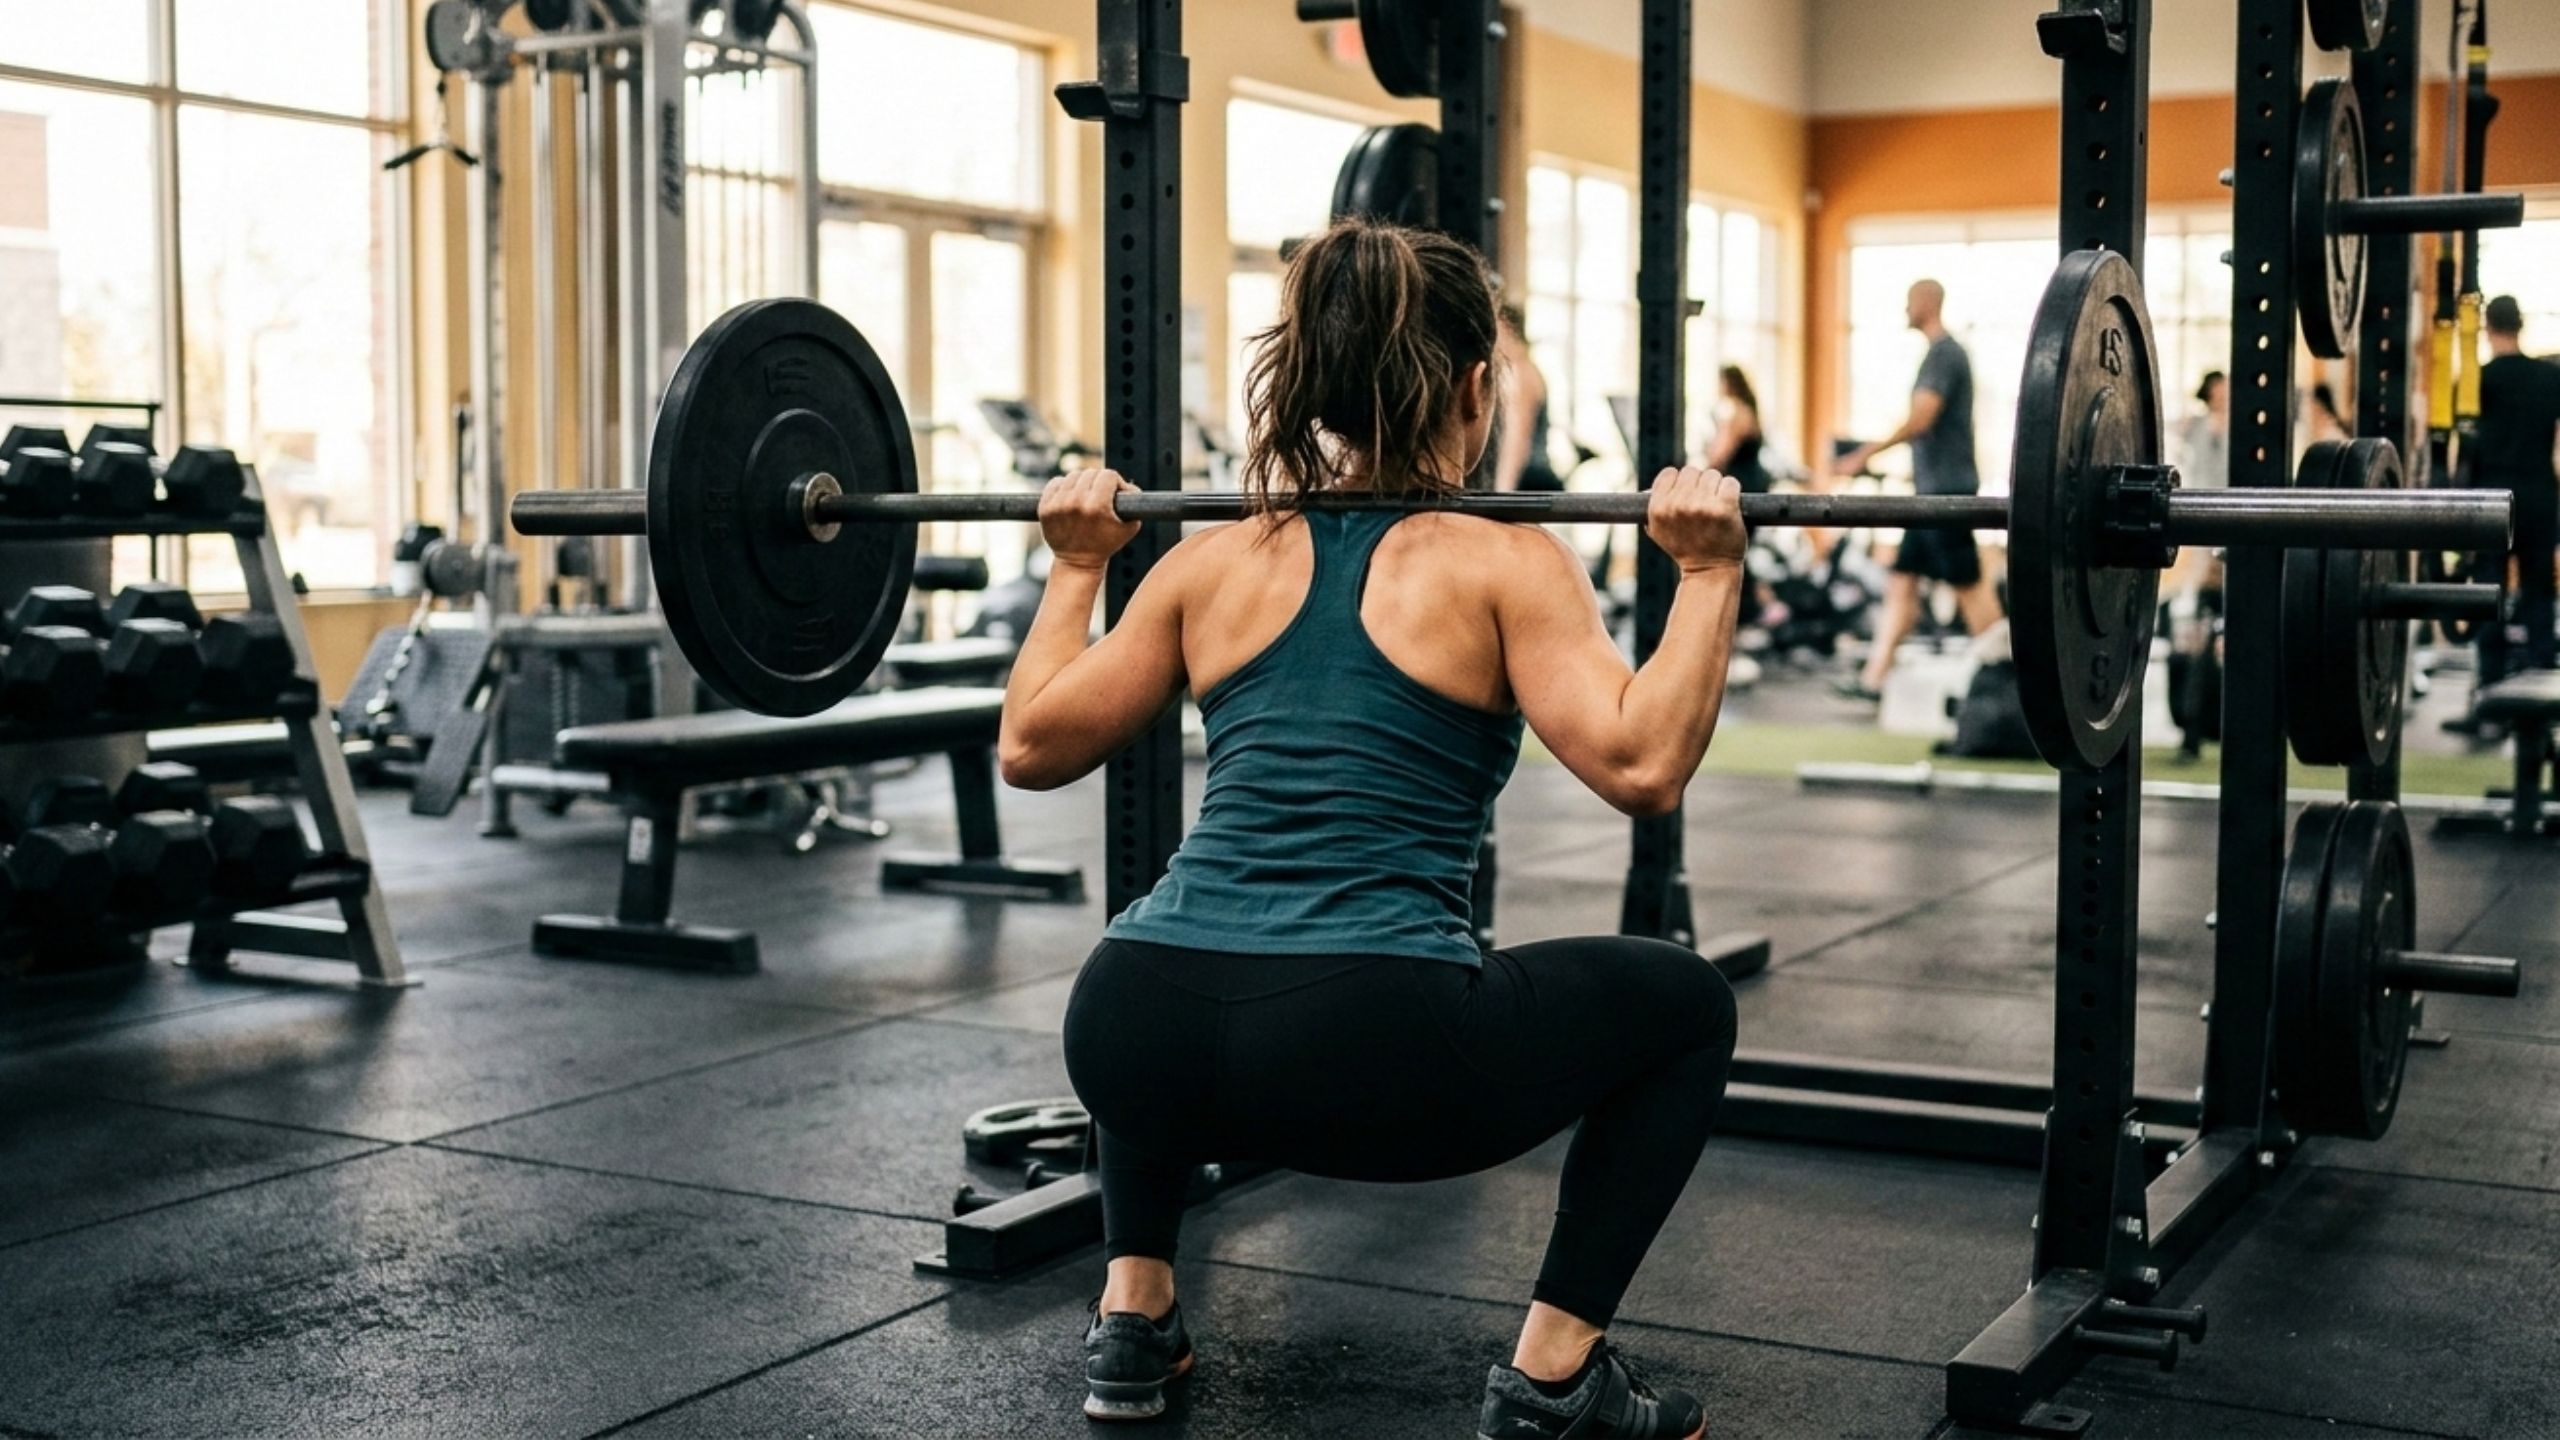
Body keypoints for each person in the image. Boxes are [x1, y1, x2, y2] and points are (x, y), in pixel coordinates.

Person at [1001, 217, 1742, 1440]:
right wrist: (1707, 577)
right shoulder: (1506, 563)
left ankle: (1134, 1307)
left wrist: (1076, 565)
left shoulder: (1209, 563)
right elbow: (1642, 764)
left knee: (1173, 937)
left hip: (1130, 1029)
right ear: (1475, 386)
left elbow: (1030, 746)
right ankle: (1556, 1377)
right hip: (1372, 1052)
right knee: (1687, 1005)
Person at [1831, 279, 2003, 702]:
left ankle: (2008, 677)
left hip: (1945, 495)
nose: (1905, 308)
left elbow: (1921, 419)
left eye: (1910, 301)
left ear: (1927, 302)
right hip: (1928, 494)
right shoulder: (1939, 354)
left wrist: (1862, 455)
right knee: (1902, 581)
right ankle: (1874, 680)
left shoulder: (1945, 354)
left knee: (1969, 587)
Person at [2472, 295, 2560, 678]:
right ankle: (2541, 674)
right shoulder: (2549, 378)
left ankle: (2491, 679)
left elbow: (2463, 446)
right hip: (2538, 493)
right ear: (2520, 325)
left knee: (2489, 586)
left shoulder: (2481, 380)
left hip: (2491, 496)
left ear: (2488, 327)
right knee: (2538, 587)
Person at [1495, 303, 1565, 492]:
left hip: (1529, 481)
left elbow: (1517, 439)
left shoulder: (1520, 374)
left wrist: (1503, 493)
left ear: (1508, 330)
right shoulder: (1526, 369)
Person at [1704, 364, 1768, 495]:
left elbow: (1720, 454)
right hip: (1753, 481)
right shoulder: (1747, 410)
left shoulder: (1737, 414)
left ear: (1728, 384)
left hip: (1741, 484)